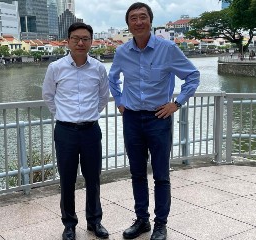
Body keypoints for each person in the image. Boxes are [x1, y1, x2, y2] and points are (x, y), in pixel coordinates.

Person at [108, 2, 200, 240]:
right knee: (137, 173)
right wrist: (119, 100)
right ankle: (142, 220)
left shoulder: (167, 49)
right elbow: (113, 78)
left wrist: (176, 103)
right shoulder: (121, 52)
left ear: (151, 20)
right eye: (133, 19)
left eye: (142, 17)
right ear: (127, 24)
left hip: (158, 118)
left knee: (161, 174)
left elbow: (192, 76)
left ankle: (161, 223)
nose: (138, 22)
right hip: (131, 119)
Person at [42, 22, 110, 240]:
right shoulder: (56, 68)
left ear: (91, 41)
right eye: (76, 38)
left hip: (91, 131)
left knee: (93, 179)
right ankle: (69, 224)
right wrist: (64, 116)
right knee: (67, 180)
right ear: (68, 41)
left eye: (85, 39)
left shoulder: (99, 68)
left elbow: (103, 97)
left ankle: (94, 221)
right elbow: (48, 96)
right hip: (65, 131)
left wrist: (87, 116)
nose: (80, 43)